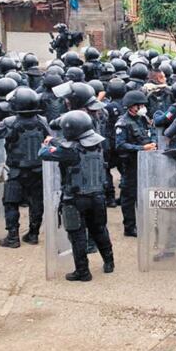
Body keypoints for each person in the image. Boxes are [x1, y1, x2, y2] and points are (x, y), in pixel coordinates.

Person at [39, 111, 114, 282]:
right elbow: (71, 146)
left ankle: (82, 272)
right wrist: (56, 141)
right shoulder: (99, 145)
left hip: (75, 199)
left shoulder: (69, 151)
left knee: (77, 235)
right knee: (100, 230)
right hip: (97, 196)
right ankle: (109, 262)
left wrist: (46, 143)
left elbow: (43, 154)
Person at [0, 87, 50, 248]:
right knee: (36, 202)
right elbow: (51, 137)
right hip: (38, 169)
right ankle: (33, 234)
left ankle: (13, 237)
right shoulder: (41, 120)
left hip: (17, 171)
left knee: (11, 202)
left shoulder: (10, 122)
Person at [115, 90, 157, 237]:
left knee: (144, 194)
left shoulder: (144, 119)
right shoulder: (123, 123)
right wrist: (142, 148)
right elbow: (120, 145)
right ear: (131, 106)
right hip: (131, 164)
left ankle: (144, 223)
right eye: (139, 105)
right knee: (129, 196)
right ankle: (129, 227)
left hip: (146, 163)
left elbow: (152, 132)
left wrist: (153, 143)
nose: (142, 108)